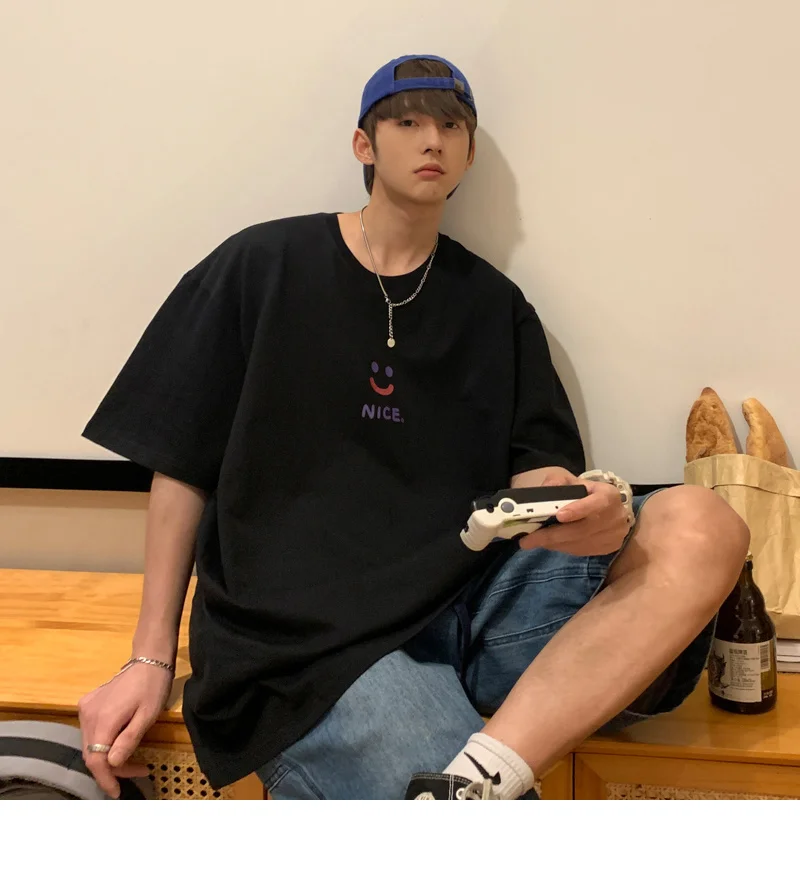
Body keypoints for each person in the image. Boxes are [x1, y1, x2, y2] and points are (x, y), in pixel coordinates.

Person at [77, 54, 749, 800]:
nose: (432, 140)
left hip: (478, 605)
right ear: (363, 145)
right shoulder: (260, 266)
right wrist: (149, 659)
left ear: (468, 152)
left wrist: (587, 509)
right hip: (315, 644)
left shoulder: (495, 305)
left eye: (452, 126)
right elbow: (180, 466)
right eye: (407, 122)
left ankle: (486, 772)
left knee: (703, 522)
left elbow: (539, 471)